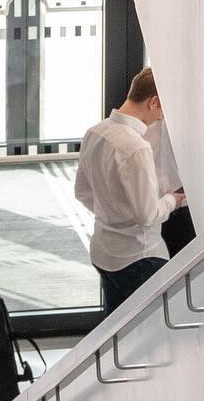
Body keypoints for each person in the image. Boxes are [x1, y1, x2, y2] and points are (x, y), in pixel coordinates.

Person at [74, 68, 184, 316]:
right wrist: (172, 199)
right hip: (138, 256)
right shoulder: (137, 147)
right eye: (163, 110)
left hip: (103, 251)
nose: (161, 119)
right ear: (154, 102)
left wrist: (113, 213)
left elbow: (82, 192)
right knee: (156, 328)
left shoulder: (95, 132)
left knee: (117, 327)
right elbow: (147, 215)